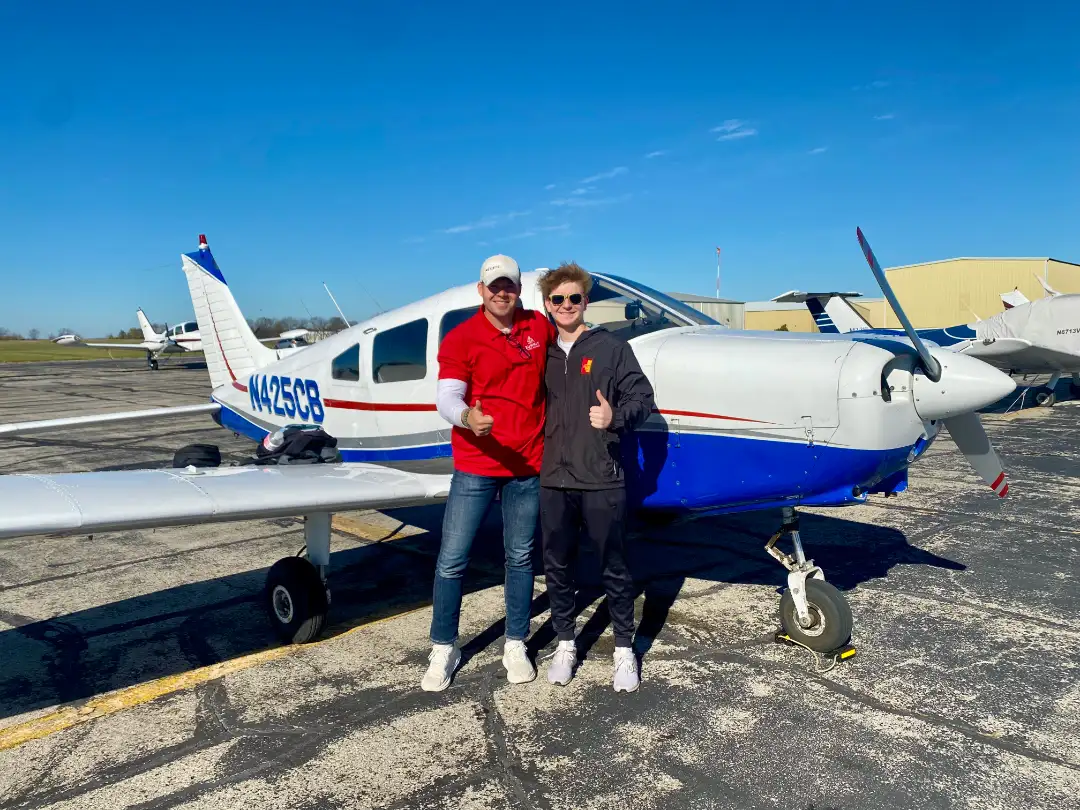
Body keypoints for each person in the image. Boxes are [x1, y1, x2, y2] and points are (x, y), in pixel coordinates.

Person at [421, 254, 556, 692]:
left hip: (527, 464)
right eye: (494, 286)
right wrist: (465, 417)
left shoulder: (538, 326)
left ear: (519, 290)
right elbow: (447, 395)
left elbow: (572, 342)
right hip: (477, 465)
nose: (503, 292)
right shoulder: (462, 338)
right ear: (481, 290)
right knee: (452, 559)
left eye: (510, 286)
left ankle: (515, 642)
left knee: (519, 558)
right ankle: (444, 646)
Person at [537, 262, 655, 692]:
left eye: (574, 298)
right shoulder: (541, 352)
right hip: (553, 477)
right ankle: (566, 642)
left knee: (615, 566)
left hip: (602, 475)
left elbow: (643, 397)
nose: (566, 305)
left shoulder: (611, 347)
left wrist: (615, 417)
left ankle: (625, 650)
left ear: (585, 302)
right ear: (547, 305)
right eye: (557, 299)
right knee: (557, 565)